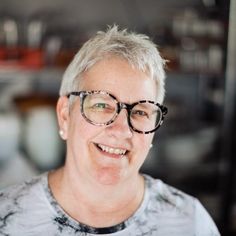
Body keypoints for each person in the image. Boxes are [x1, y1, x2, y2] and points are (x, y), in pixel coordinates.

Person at [0, 25, 220, 236]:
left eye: (141, 112)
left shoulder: (189, 222)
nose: (121, 129)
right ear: (65, 115)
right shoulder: (7, 218)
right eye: (102, 105)